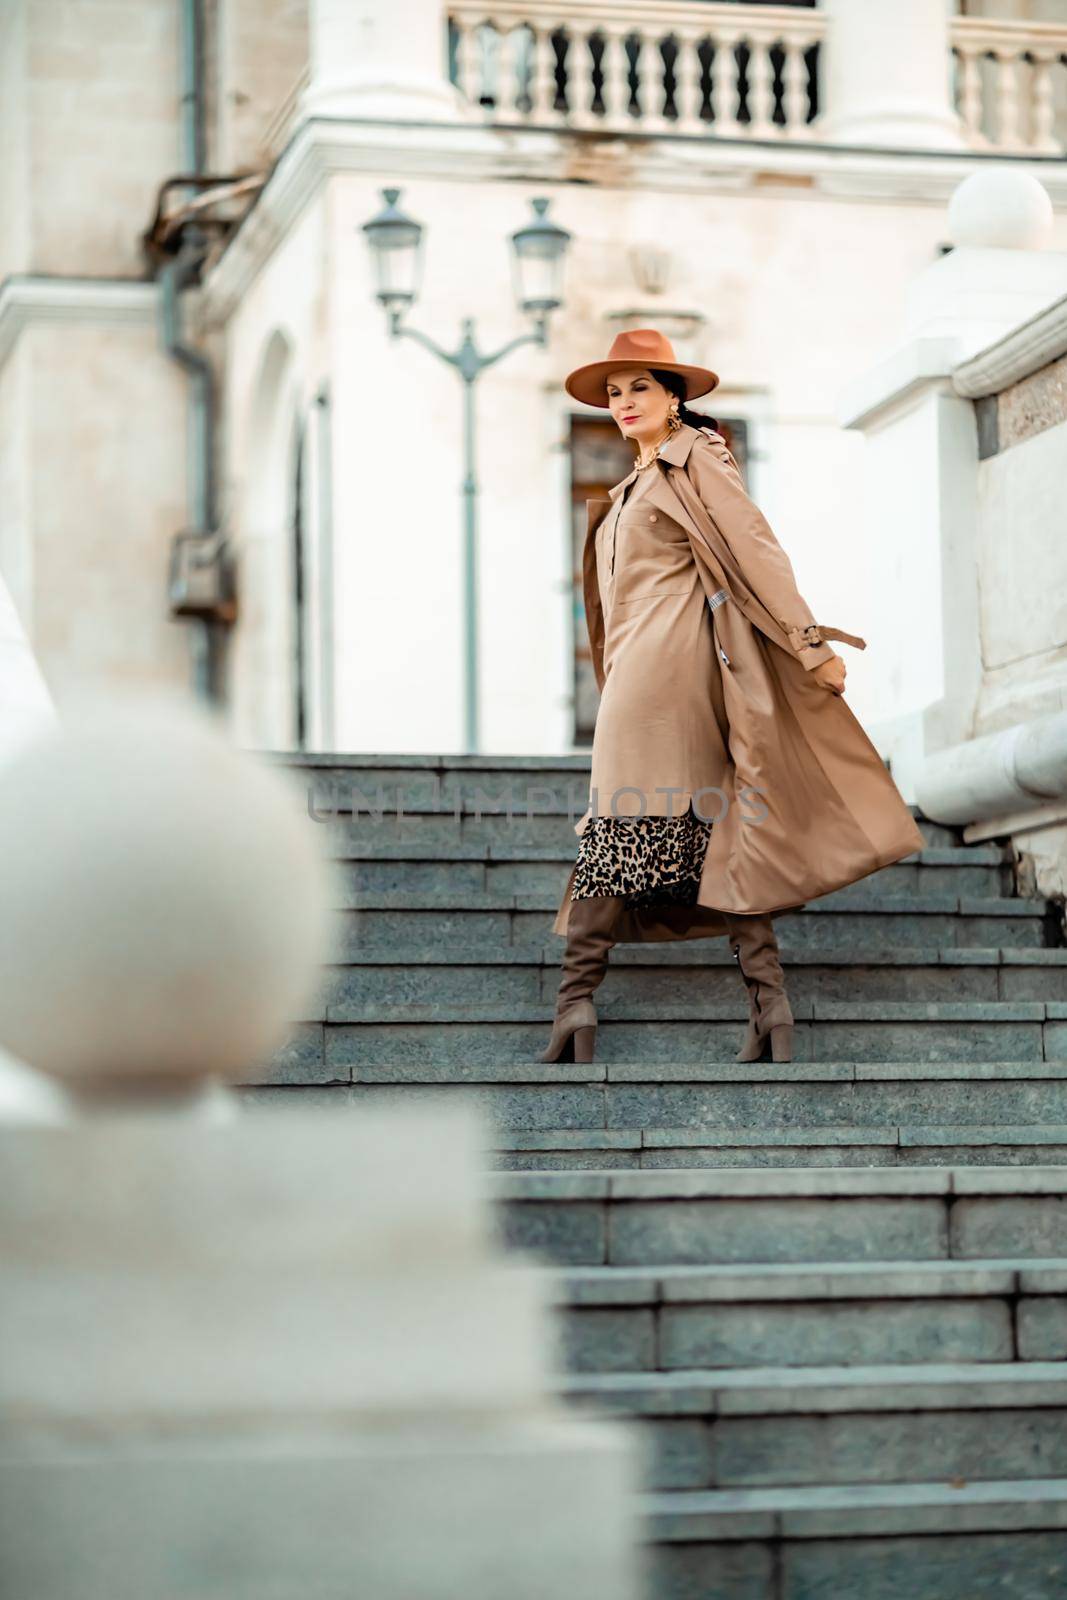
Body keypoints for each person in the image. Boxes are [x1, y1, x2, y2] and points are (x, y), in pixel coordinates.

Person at [539, 327, 924, 1067]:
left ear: (674, 395)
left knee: (622, 824)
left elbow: (755, 549)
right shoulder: (632, 484)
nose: (623, 403)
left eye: (639, 388)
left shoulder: (695, 460)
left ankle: (575, 1003)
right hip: (635, 678)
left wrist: (808, 644)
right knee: (711, 827)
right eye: (614, 393)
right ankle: (767, 1006)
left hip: (673, 676)